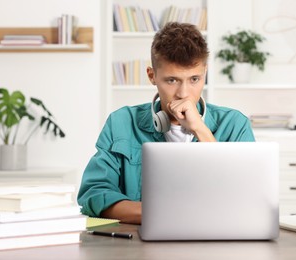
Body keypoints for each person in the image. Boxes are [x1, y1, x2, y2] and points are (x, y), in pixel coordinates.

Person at [77, 22, 255, 224]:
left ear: (205, 72)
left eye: (194, 79)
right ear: (152, 76)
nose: (184, 94)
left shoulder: (235, 124)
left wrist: (200, 129)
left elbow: (246, 197)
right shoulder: (121, 122)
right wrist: (161, 214)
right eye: (172, 80)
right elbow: (93, 194)